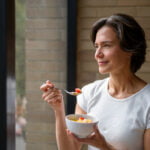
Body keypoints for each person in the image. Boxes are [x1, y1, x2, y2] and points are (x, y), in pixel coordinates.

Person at [40, 13, 150, 150]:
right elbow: (71, 148)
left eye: (106, 45)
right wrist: (58, 110)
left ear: (130, 49)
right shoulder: (88, 93)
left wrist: (104, 147)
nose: (97, 54)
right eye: (96, 46)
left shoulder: (147, 101)